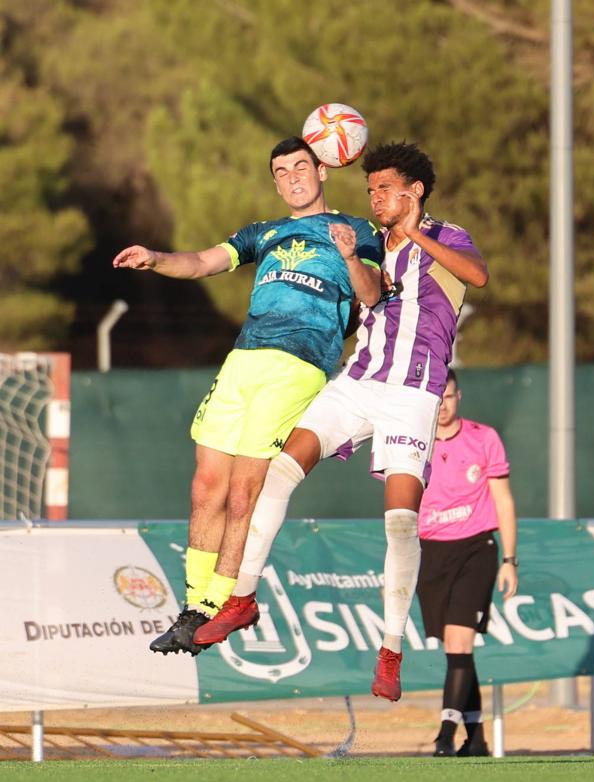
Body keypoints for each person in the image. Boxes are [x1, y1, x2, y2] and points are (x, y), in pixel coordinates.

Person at [191, 142, 489, 704]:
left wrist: (414, 233)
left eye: (386, 188)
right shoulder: (372, 244)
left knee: (401, 523)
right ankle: (243, 598)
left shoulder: (447, 235)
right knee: (279, 472)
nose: (375, 197)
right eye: (370, 189)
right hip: (358, 383)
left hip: (413, 395)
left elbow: (478, 275)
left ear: (414, 191)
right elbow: (366, 300)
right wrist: (351, 262)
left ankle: (391, 647)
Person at [112, 136, 382, 655]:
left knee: (244, 491)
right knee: (205, 485)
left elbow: (371, 293)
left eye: (301, 167)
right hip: (243, 360)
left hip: (298, 363)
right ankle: (194, 607)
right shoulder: (266, 233)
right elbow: (202, 262)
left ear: (323, 171)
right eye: (281, 172)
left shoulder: (356, 230)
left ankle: (221, 607)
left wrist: (350, 256)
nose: (292, 178)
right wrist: (154, 258)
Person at [416, 368, 518, 757]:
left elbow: (504, 500)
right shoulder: (413, 444)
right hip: (431, 552)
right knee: (455, 649)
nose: (442, 406)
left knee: (460, 640)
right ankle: (475, 739)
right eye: (436, 398)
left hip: (476, 548)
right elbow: (402, 507)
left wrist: (510, 559)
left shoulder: (484, 438)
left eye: (449, 397)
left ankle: (444, 734)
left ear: (460, 397)